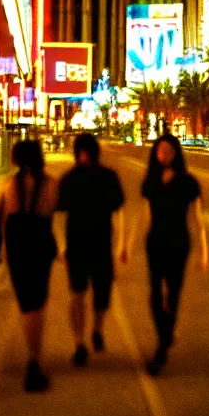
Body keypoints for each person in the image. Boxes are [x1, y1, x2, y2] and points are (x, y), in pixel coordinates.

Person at [138, 134, 208, 376]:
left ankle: (163, 344)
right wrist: (127, 243)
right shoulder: (150, 181)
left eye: (168, 149)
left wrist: (204, 251)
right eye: (160, 150)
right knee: (155, 294)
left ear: (176, 153)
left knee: (174, 293)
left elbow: (198, 220)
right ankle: (164, 337)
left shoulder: (188, 182)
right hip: (155, 243)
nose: (164, 153)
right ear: (155, 153)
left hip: (179, 243)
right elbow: (145, 216)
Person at [0, 140, 57, 392]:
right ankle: (34, 359)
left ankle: (33, 359)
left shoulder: (7, 184)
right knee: (38, 304)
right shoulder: (50, 184)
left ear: (17, 159)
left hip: (18, 248)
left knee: (26, 304)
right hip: (41, 246)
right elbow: (52, 215)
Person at [58, 133, 126, 367]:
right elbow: (58, 213)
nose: (83, 155)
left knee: (101, 296)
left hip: (101, 245)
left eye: (86, 151)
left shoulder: (108, 177)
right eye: (80, 151)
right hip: (77, 245)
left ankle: (97, 329)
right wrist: (61, 246)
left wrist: (122, 244)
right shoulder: (69, 179)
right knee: (77, 295)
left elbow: (119, 211)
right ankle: (79, 344)